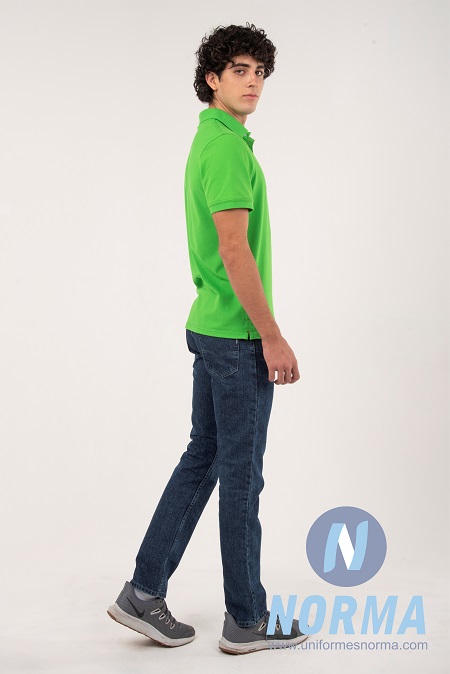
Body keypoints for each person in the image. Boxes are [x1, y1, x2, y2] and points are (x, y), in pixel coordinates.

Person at [107, 22, 307, 655]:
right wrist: (272, 335)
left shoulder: (217, 139)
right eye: (239, 70)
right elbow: (233, 249)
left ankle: (143, 592)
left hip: (213, 328)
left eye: (260, 72)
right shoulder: (224, 148)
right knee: (240, 478)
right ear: (212, 79)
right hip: (238, 338)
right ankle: (246, 619)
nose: (253, 82)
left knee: (207, 458)